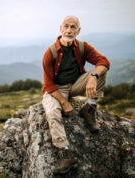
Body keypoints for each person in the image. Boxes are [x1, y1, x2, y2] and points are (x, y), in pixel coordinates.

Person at [41, 15, 110, 174]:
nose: (69, 30)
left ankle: (89, 109)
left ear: (78, 31)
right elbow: (48, 84)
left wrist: (93, 77)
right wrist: (64, 103)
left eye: (73, 27)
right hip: (56, 88)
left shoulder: (82, 46)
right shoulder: (50, 52)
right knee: (52, 113)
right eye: (66, 26)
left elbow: (104, 61)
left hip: (76, 84)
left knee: (101, 71)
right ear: (60, 29)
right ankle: (65, 152)